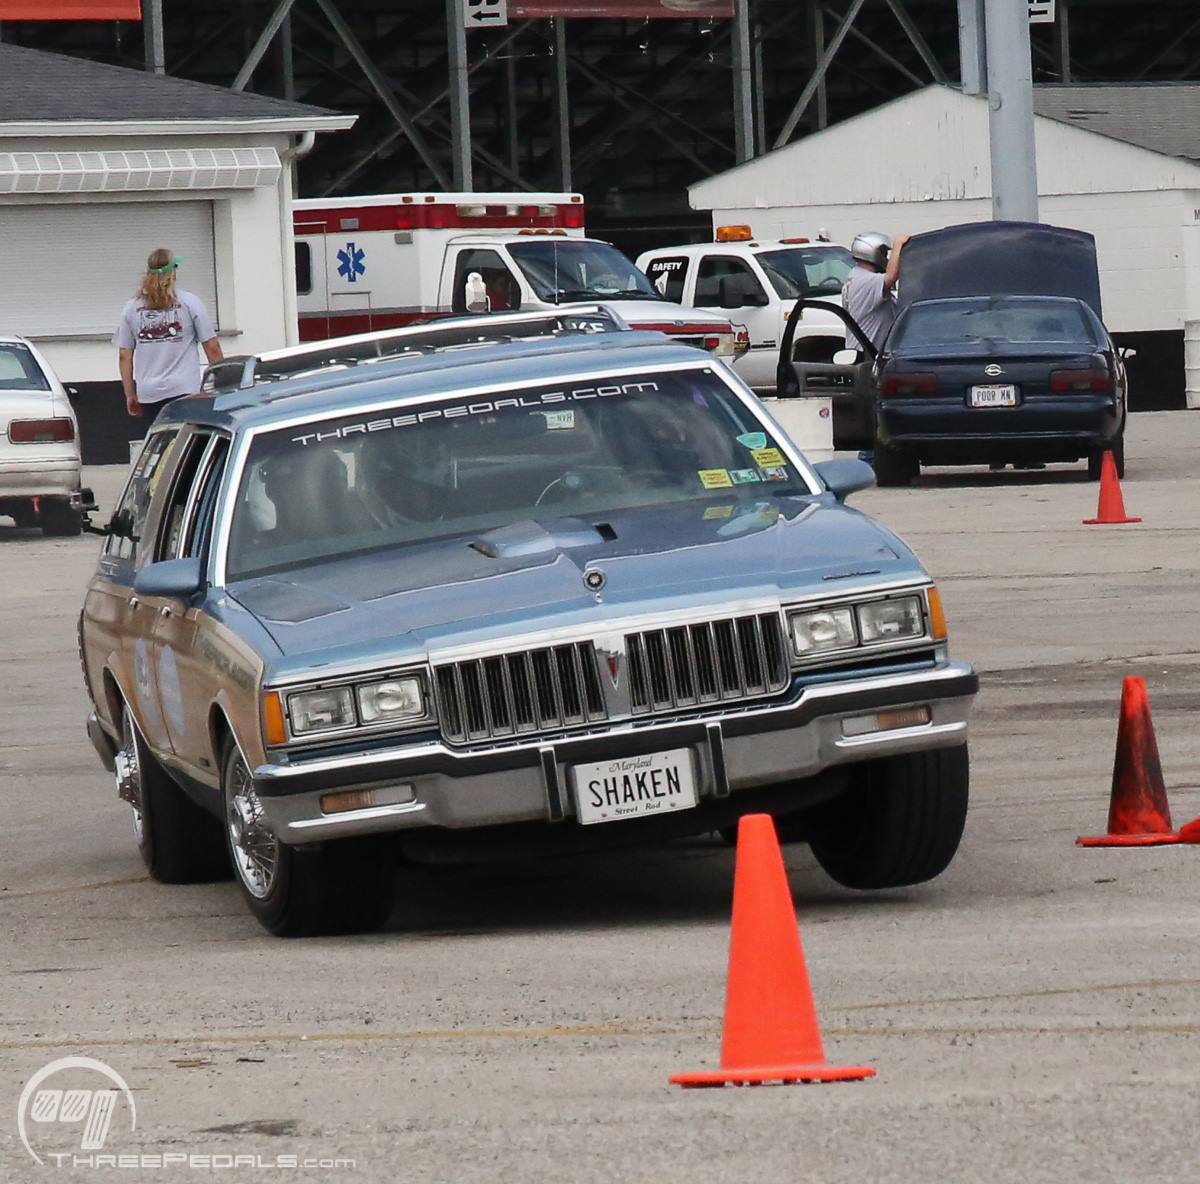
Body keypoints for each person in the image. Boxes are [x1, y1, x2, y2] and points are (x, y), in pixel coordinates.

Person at [115, 248, 223, 419]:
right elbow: (212, 348)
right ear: (173, 272)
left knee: (161, 443)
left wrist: (130, 395)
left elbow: (124, 356)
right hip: (185, 390)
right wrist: (223, 384)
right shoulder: (190, 302)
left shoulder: (131, 308)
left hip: (149, 394)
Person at [841, 230, 909, 356]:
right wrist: (898, 244)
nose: (886, 257)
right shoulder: (865, 281)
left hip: (862, 354)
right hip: (867, 357)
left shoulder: (856, 276)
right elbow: (891, 276)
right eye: (884, 253)